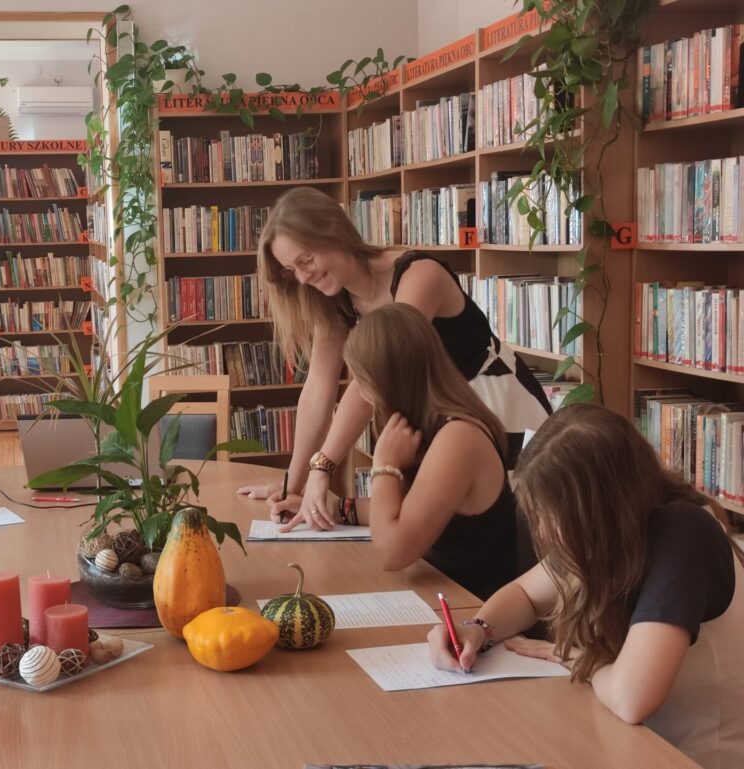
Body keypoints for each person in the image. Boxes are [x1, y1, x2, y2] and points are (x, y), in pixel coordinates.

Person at [427, 404, 744, 769]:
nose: (542, 532)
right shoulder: (616, 529)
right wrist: (478, 629)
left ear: (597, 510)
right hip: (632, 741)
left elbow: (631, 698)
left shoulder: (686, 535)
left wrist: (577, 659)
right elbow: (526, 595)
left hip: (693, 757)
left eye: (550, 517)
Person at [235, 187, 551, 530]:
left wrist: (321, 468)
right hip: (447, 419)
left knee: (517, 529)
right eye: (291, 269)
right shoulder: (336, 300)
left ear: (333, 232)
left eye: (305, 260)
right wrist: (290, 490)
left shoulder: (418, 275)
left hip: (498, 409)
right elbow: (318, 390)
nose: (302, 277)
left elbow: (373, 381)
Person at [337, 303, 521, 600]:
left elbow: (392, 553)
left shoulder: (458, 437)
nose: (358, 390)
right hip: (440, 595)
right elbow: (408, 510)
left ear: (385, 379)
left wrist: (384, 466)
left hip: (471, 612)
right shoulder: (432, 424)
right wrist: (330, 510)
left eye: (360, 378)